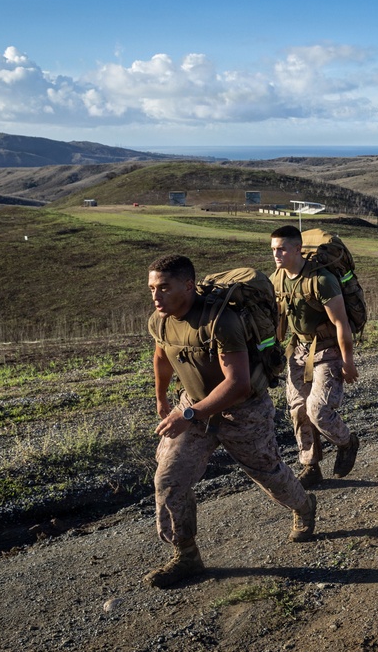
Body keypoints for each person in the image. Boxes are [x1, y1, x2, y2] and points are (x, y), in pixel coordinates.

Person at [144, 254, 317, 589]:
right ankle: (186, 555)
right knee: (168, 479)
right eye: (152, 288)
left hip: (243, 410)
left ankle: (305, 504)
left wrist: (189, 415)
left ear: (189, 286)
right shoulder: (160, 320)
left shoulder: (221, 321)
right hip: (192, 407)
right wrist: (162, 397)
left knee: (269, 475)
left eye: (164, 287)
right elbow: (162, 357)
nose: (156, 295)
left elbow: (237, 383)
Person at [270, 226, 360, 488]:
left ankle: (346, 441)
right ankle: (310, 465)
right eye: (274, 249)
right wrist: (273, 351)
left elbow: (341, 322)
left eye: (282, 249)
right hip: (298, 351)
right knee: (298, 411)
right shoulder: (278, 279)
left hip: (329, 350)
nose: (277, 254)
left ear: (297, 249)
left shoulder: (321, 280)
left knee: (318, 410)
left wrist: (348, 361)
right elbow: (279, 319)